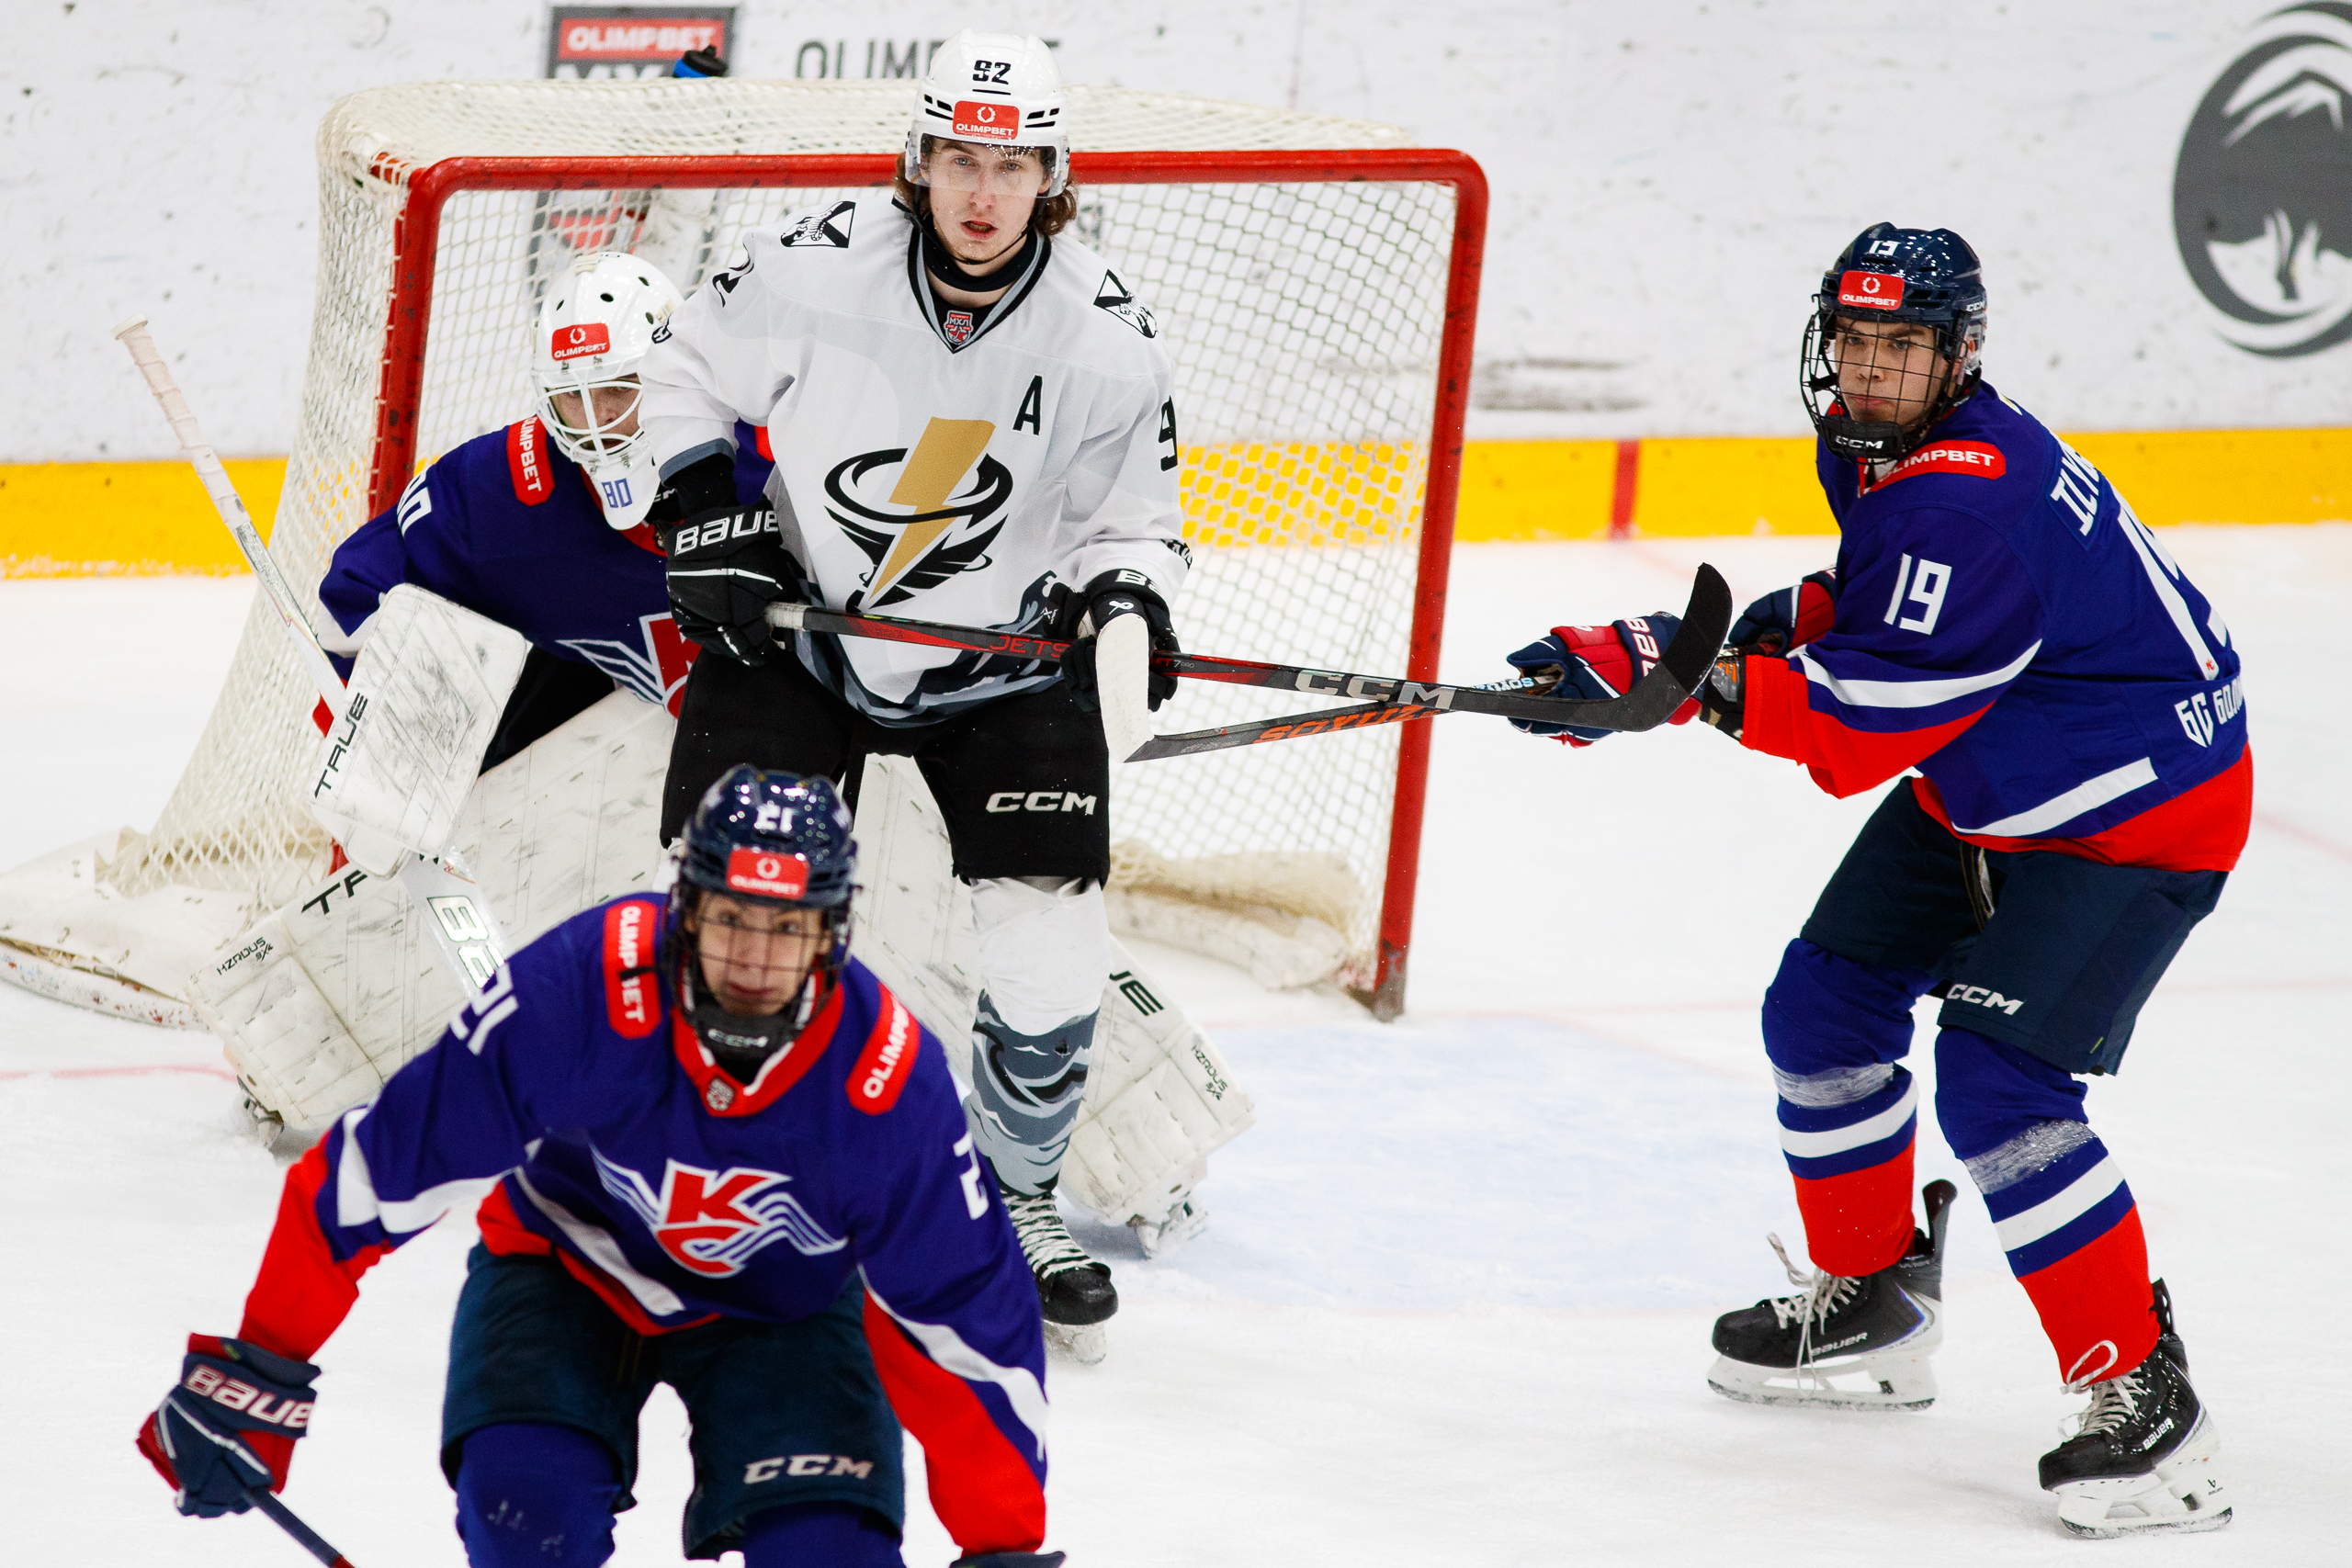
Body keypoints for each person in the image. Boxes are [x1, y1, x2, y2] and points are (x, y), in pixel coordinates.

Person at [1504, 223, 2244, 1538]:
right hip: (2002, 771)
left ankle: (2146, 1398)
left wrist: (1683, 683)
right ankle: (1874, 1299)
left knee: (2001, 1083)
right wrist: (1702, 643)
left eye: (1902, 345)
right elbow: (1878, 599)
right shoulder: (1877, 450)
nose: (1870, 368)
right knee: (1822, 1006)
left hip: (2133, 810)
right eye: (1854, 340)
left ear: (1960, 355)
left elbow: (1855, 725)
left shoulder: (1970, 499)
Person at [135, 766, 1062, 1568]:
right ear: (686, 909)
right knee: (524, 1515)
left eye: (786, 927)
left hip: (785, 1307)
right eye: (730, 919)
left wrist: (1004, 1548)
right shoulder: (580, 988)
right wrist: (260, 1365)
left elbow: (968, 1320)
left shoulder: (888, 1084)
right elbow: (379, 1168)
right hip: (567, 1264)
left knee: (828, 1553)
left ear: (833, 934)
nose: (752, 958)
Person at [636, 31, 1189, 1339]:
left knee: (1051, 942)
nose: (984, 193)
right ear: (918, 161)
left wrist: (1126, 600)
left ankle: (1015, 1200)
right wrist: (704, 507)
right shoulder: (811, 266)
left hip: (1003, 657)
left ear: (1052, 176)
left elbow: (1133, 522)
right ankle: (716, 1166)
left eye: (1013, 166)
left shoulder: (1108, 338)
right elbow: (681, 369)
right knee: (732, 905)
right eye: (960, 161)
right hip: (802, 634)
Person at [315, 251, 775, 767]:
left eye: (618, 387)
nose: (598, 422)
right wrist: (375, 727)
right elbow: (357, 593)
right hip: (626, 760)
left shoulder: (769, 444)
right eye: (573, 396)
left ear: (672, 370)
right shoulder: (502, 493)